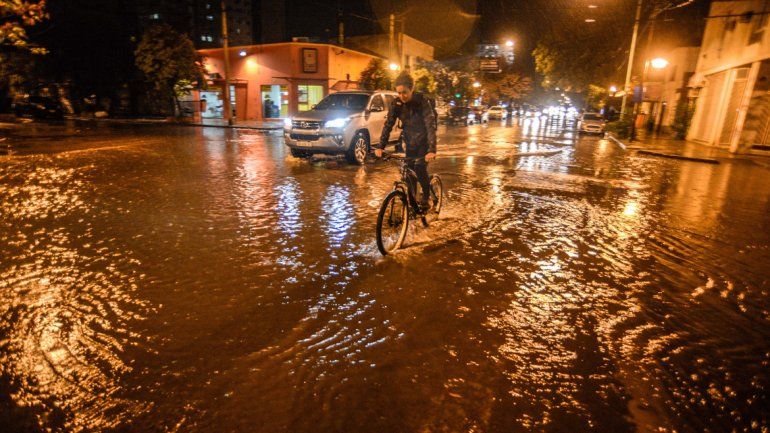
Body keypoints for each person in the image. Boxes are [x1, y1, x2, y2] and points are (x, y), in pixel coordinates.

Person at [375, 72, 437, 211]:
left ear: (412, 89)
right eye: (399, 93)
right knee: (409, 174)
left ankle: (426, 198)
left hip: (424, 142)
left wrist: (432, 150)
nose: (401, 96)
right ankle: (413, 204)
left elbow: (430, 126)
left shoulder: (423, 102)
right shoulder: (396, 104)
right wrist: (381, 146)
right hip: (409, 142)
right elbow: (388, 125)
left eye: (405, 92)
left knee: (420, 167)